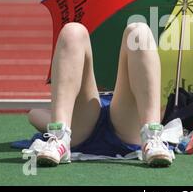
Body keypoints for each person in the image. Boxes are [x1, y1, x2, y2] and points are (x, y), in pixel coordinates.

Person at [27, 22, 174, 167]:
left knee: (139, 31)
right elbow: (34, 114)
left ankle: (152, 137)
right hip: (85, 122)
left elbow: (34, 114)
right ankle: (59, 137)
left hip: (125, 123)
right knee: (72, 30)